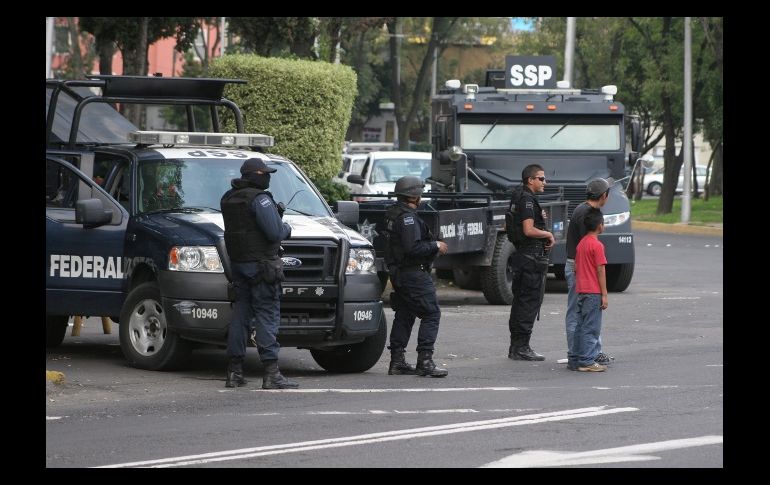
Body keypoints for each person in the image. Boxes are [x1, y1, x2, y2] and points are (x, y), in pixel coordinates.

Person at [220, 158, 299, 389]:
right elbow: (275, 232)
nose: (268, 177)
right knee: (267, 314)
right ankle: (271, 373)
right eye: (265, 173)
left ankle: (234, 372)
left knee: (240, 316)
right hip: (262, 266)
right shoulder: (260, 199)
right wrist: (286, 226)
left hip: (239, 265)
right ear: (254, 175)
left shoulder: (228, 197)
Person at [384, 176, 449, 377]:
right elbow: (413, 248)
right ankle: (425, 361)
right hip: (413, 273)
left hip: (400, 273)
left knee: (405, 314)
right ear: (414, 196)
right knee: (431, 313)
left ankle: (397, 361)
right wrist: (436, 245)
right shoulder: (407, 218)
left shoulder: (394, 213)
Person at [564, 178, 615, 369]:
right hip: (580, 270)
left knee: (581, 315)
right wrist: (604, 293)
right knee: (582, 316)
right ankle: (583, 355)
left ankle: (582, 354)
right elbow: (595, 262)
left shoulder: (582, 209)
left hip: (577, 266)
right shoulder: (588, 216)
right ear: (603, 196)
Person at [507, 164, 555, 361]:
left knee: (521, 302)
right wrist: (547, 233)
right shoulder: (527, 199)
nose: (545, 182)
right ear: (531, 180)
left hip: (524, 257)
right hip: (531, 258)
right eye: (542, 179)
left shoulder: (519, 195)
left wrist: (538, 218)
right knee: (528, 303)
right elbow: (528, 230)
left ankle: (516, 347)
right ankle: (521, 347)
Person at [570, 208, 609, 372]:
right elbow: (600, 270)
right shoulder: (597, 245)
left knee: (580, 325)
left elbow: (576, 268)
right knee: (591, 327)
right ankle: (587, 361)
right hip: (593, 292)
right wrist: (604, 295)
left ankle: (576, 358)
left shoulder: (581, 244)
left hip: (581, 290)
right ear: (600, 226)